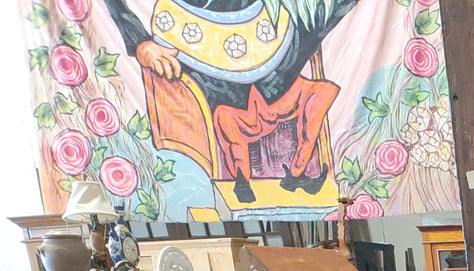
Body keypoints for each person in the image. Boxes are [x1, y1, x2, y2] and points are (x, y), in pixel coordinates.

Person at [102, 0, 357, 203]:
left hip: (269, 28)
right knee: (229, 117)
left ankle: (295, 174)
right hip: (191, 37)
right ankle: (244, 180)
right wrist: (139, 42)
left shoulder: (299, 23)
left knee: (315, 92)